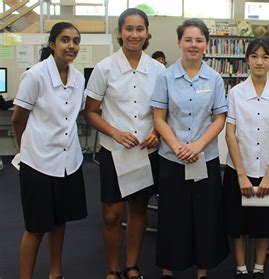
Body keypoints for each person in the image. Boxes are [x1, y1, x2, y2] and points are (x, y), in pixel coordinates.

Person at [84, 8, 165, 279]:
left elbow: (165, 112)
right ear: (119, 32)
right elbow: (91, 112)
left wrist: (157, 131)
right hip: (114, 152)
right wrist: (115, 132)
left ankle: (131, 266)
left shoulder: (158, 69)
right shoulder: (104, 68)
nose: (134, 34)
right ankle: (112, 269)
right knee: (111, 215)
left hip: (145, 152)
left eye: (139, 29)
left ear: (146, 33)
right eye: (128, 29)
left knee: (139, 209)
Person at [151, 18, 229, 279]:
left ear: (206, 44)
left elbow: (219, 118)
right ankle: (169, 269)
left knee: (205, 216)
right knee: (173, 216)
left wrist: (198, 145)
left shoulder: (215, 78)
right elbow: (159, 118)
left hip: (204, 157)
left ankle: (203, 270)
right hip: (172, 159)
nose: (193, 45)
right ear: (179, 42)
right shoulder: (166, 76)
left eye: (198, 40)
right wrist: (177, 147)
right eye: (188, 40)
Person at [11, 22, 87, 279]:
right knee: (36, 227)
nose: (71, 46)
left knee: (59, 221)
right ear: (52, 43)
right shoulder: (36, 75)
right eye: (65, 40)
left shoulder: (78, 77)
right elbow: (18, 120)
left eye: (76, 41)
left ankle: (56, 273)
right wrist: (25, 152)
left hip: (69, 161)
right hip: (38, 162)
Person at [223, 37, 269, 279]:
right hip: (239, 170)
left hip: (268, 172)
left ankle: (258, 268)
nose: (259, 61)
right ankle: (241, 268)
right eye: (254, 56)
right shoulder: (235, 93)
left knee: (263, 224)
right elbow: (230, 135)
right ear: (246, 60)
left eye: (265, 57)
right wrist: (241, 175)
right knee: (239, 225)